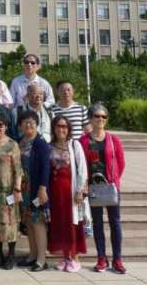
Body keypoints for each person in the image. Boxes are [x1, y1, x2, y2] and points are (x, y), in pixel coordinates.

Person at [79, 102, 126, 274]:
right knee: (97, 223)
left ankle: (117, 259)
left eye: (103, 116)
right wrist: (84, 185)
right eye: (97, 116)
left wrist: (114, 180)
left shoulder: (114, 140)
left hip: (111, 187)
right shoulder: (84, 141)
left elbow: (121, 162)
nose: (100, 119)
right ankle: (101, 258)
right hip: (93, 187)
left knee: (115, 222)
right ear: (91, 118)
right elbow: (81, 164)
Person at [47, 114, 88, 273]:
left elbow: (82, 169)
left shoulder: (74, 145)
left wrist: (80, 191)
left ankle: (75, 258)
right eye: (58, 126)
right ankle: (65, 257)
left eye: (64, 126)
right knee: (59, 223)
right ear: (53, 128)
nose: (61, 129)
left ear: (68, 128)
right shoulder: (50, 146)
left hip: (70, 190)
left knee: (72, 223)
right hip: (55, 190)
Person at [16, 110, 50, 272]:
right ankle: (32, 255)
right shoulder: (20, 142)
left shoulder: (40, 143)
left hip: (36, 189)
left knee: (38, 222)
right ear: (20, 126)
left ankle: (41, 259)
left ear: (37, 125)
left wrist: (43, 188)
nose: (28, 124)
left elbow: (46, 167)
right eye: (25, 122)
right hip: (23, 189)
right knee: (29, 222)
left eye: (32, 122)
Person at [0, 115, 22, 269]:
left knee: (10, 223)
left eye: (0, 125)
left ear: (6, 127)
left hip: (8, 190)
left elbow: (18, 169)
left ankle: (11, 255)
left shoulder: (12, 145)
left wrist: (17, 188)